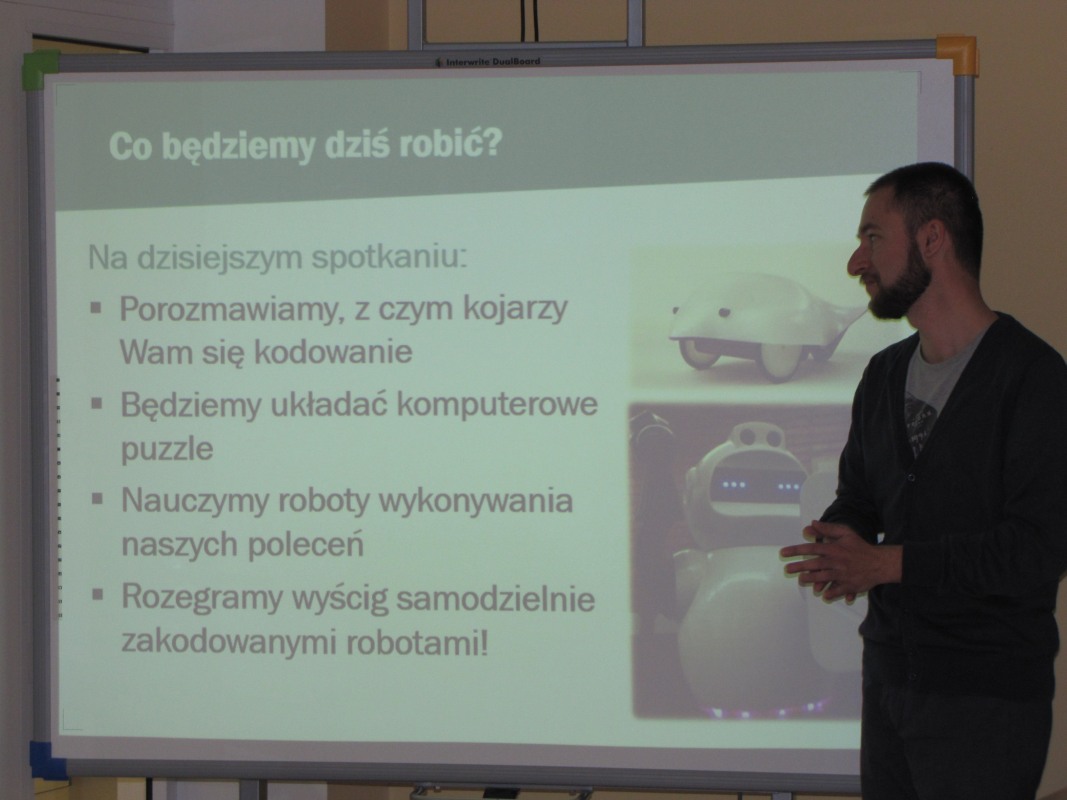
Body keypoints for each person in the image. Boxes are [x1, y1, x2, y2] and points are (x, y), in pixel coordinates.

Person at [780, 162, 1067, 800]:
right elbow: (860, 495)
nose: (856, 261)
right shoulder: (882, 375)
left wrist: (887, 564)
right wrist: (839, 542)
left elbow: (1038, 549)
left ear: (932, 239)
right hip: (889, 683)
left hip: (987, 701)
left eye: (873, 237)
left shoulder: (1032, 378)